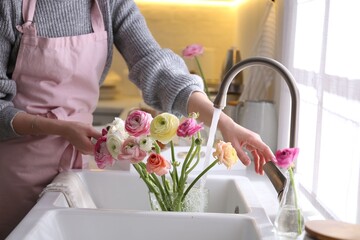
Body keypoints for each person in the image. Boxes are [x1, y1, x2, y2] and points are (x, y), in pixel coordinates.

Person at [0, 0, 275, 238]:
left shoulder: (109, 4)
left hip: (73, 165)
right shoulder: (10, 5)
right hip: (16, 170)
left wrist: (225, 124)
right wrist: (58, 128)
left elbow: (156, 66)